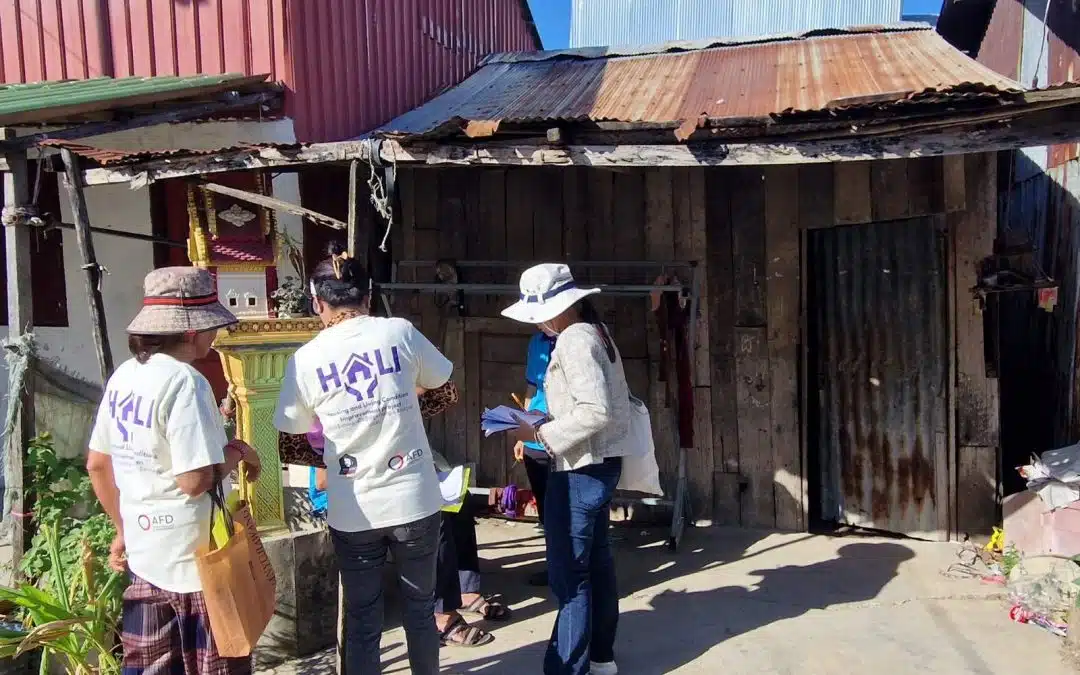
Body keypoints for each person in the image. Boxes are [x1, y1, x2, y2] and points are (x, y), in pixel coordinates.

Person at [274, 245, 453, 675]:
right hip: (414, 499)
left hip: (353, 510)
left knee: (363, 617)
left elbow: (291, 433)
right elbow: (443, 384)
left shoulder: (307, 358)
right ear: (368, 296)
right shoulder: (399, 333)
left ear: (318, 303)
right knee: (420, 610)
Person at [86, 267, 263, 675]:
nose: (213, 336)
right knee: (218, 663)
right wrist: (239, 452)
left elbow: (98, 464)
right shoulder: (186, 381)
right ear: (189, 332)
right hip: (196, 564)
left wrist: (124, 529)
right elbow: (194, 480)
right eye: (210, 327)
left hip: (146, 556)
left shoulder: (125, 377)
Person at [502, 263, 631, 675]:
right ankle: (601, 655)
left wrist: (541, 433)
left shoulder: (574, 340)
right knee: (596, 563)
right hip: (598, 462)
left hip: (579, 467)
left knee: (569, 576)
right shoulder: (595, 331)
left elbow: (595, 410)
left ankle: (567, 667)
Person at [517, 330, 556, 587]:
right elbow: (532, 387)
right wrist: (523, 431)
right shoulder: (537, 342)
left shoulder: (575, 339)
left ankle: (572, 567)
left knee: (566, 508)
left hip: (564, 435)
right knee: (545, 509)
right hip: (536, 436)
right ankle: (554, 565)